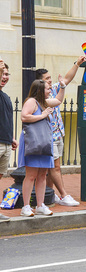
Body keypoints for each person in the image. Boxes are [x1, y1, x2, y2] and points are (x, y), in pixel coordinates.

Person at [37, 56, 85, 207]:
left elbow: (67, 78)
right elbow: (57, 100)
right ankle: (64, 195)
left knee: (53, 167)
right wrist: (62, 87)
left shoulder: (54, 89)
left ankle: (50, 194)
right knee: (55, 167)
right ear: (40, 82)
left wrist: (77, 64)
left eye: (50, 78)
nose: (50, 81)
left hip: (58, 135)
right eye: (47, 79)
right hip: (49, 137)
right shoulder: (40, 96)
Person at [19, 78, 66, 217]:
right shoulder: (31, 102)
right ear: (40, 90)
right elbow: (24, 117)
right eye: (47, 89)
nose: (50, 90)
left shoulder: (43, 102)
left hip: (44, 142)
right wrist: (42, 115)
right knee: (31, 175)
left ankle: (40, 205)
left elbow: (58, 101)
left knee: (42, 175)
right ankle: (26, 206)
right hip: (34, 142)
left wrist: (62, 86)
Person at [0, 61, 18, 222]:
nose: (4, 77)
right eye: (2, 74)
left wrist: (10, 138)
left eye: (7, 74)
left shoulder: (5, 97)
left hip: (5, 143)